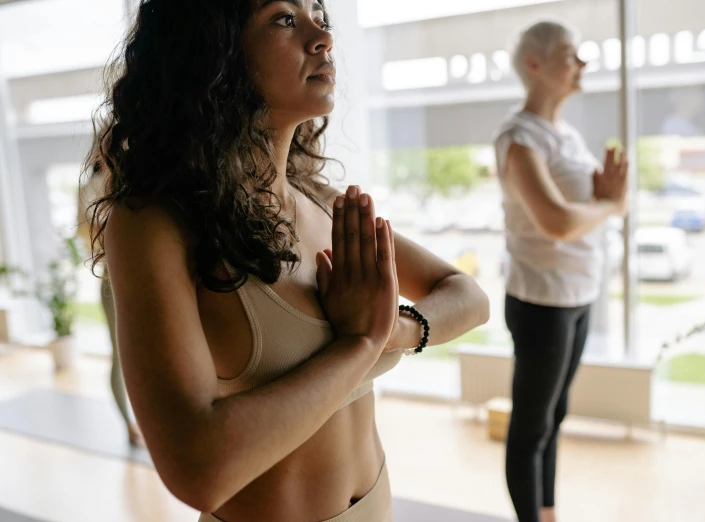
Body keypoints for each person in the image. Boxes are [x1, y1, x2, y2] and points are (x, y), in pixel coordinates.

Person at [85, 1, 490, 521]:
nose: (322, 36)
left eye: (318, 12)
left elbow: (467, 295)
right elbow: (197, 472)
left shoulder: (320, 200)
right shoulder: (156, 223)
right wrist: (360, 343)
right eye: (283, 18)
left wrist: (394, 330)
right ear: (215, 53)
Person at [494, 20, 628, 522]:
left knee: (555, 417)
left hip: (578, 294)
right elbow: (555, 222)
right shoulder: (520, 137)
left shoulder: (565, 135)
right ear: (534, 64)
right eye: (571, 55)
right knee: (531, 427)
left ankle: (547, 515)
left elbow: (591, 209)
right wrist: (609, 206)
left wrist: (608, 202)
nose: (582, 64)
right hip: (540, 299)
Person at [77, 162, 145, 448]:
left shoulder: (134, 181)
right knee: (121, 357)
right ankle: (131, 425)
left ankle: (144, 424)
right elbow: (88, 233)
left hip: (139, 277)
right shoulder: (93, 188)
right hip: (113, 278)